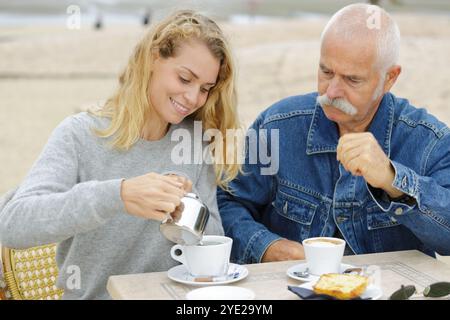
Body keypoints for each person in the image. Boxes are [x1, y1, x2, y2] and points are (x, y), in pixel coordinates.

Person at [0, 10, 240, 299]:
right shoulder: (80, 134)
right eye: (184, 78)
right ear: (154, 57)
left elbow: (213, 241)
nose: (192, 98)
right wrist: (119, 195)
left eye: (205, 88)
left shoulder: (194, 140)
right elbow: (13, 224)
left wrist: (190, 207)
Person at [217, 3, 450, 264]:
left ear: (390, 78)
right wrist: (268, 247)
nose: (332, 92)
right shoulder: (278, 126)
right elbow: (227, 204)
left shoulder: (429, 141)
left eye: (352, 80)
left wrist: (391, 180)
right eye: (326, 72)